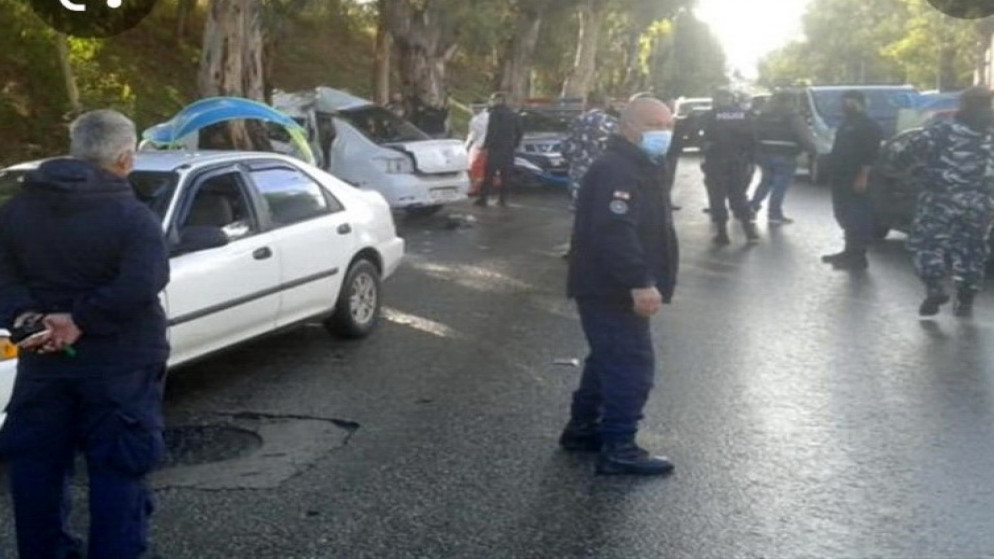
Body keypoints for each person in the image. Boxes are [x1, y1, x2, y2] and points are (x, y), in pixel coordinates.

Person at [0, 109, 171, 558]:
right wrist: (81, 320)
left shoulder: (15, 210)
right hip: (122, 365)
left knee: (35, 471)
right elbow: (143, 280)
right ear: (124, 157)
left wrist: (29, 320)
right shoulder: (132, 216)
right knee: (118, 471)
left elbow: (3, 277)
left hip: (43, 363)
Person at [561, 96, 679, 476]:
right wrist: (640, 282)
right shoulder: (618, 168)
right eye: (655, 125)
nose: (664, 133)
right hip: (610, 286)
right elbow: (615, 230)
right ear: (629, 127)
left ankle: (582, 430)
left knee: (606, 359)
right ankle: (619, 447)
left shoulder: (641, 164)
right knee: (631, 366)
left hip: (610, 285)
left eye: (668, 125)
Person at [891, 86, 994, 316]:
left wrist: (904, 167)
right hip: (980, 202)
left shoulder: (944, 130)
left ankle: (934, 287)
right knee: (972, 248)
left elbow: (907, 153)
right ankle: (966, 298)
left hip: (940, 199)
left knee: (927, 244)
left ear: (963, 104)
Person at [821, 90, 883, 271]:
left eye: (848, 102)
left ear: (859, 103)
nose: (844, 105)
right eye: (844, 102)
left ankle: (858, 256)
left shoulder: (868, 126)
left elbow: (871, 154)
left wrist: (863, 176)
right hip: (840, 176)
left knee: (858, 217)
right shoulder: (847, 123)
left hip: (856, 177)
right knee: (843, 215)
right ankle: (848, 252)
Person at [700, 87, 759, 245]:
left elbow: (699, 137)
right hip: (739, 161)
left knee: (717, 196)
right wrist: (752, 161)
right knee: (739, 194)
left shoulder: (710, 116)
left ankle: (722, 233)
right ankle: (749, 231)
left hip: (715, 161)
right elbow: (753, 139)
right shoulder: (745, 115)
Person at [750, 90, 817, 224]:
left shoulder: (763, 116)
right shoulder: (792, 117)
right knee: (780, 185)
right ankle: (774, 214)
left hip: (765, 154)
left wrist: (756, 152)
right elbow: (803, 136)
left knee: (766, 182)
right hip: (785, 155)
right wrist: (813, 150)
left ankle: (752, 207)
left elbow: (754, 134)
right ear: (788, 101)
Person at [561, 91, 620, 205]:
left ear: (588, 103)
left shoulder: (577, 121)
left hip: (580, 174)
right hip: (606, 175)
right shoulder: (612, 122)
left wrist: (575, 161)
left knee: (581, 211)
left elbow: (566, 148)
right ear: (605, 104)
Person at [476, 92, 523, 207]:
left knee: (489, 174)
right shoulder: (513, 114)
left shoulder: (494, 114)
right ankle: (503, 199)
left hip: (495, 148)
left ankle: (484, 198)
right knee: (506, 175)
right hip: (508, 149)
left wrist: (486, 146)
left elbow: (492, 131)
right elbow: (519, 132)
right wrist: (515, 144)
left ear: (497, 100)